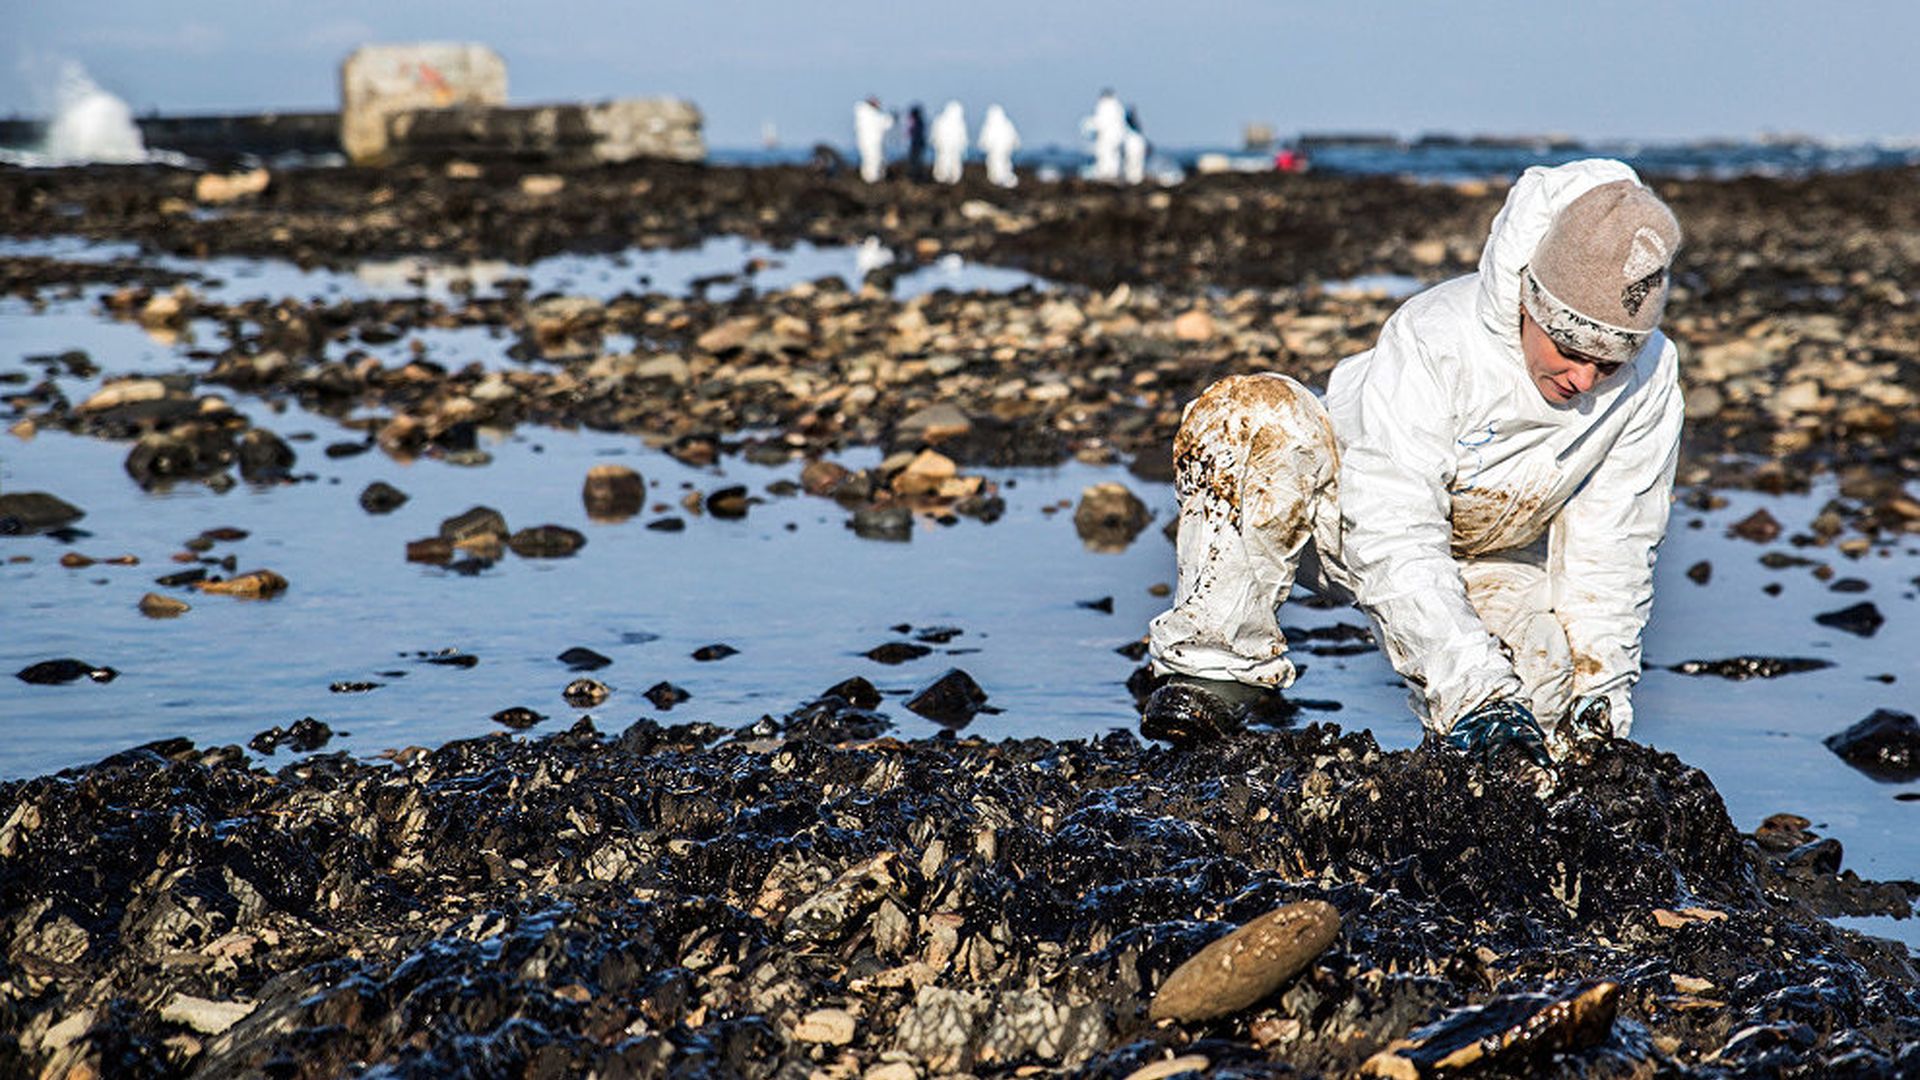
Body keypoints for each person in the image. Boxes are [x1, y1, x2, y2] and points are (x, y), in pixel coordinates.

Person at [1142, 159, 1685, 766]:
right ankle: (1220, 668)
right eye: (1567, 349)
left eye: (1608, 364)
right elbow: (1394, 527)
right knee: (1251, 417)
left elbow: (1615, 543)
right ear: (1531, 301)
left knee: (1539, 734)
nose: (1582, 379)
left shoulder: (1652, 381)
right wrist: (1471, 688)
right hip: (1342, 511)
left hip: (1490, 557)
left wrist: (1600, 688)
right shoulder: (1436, 338)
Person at [1081, 89, 1126, 181]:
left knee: (1104, 155)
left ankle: (1106, 175)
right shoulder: (1118, 106)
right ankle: (1113, 174)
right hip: (1118, 136)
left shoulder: (1103, 105)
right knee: (1114, 156)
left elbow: (1101, 122)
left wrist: (1089, 126)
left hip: (1106, 136)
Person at [977, 104, 1021, 188]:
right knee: (1003, 163)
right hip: (1004, 151)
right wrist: (1015, 144)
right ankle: (1002, 180)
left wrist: (983, 145)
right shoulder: (1007, 124)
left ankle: (998, 180)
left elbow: (985, 138)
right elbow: (1013, 136)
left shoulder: (990, 126)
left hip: (997, 152)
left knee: (996, 163)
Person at [853, 97, 893, 184]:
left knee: (870, 160)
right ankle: (872, 180)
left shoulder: (862, 114)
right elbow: (885, 123)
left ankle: (870, 178)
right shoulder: (870, 114)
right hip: (873, 142)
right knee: (874, 160)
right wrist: (891, 117)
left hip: (865, 142)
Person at [930, 101, 967, 184]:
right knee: (946, 160)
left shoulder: (941, 120)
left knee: (948, 161)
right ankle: (945, 177)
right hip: (947, 147)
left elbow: (935, 133)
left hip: (949, 148)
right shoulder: (954, 122)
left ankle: (946, 177)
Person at [1121, 105, 1149, 185]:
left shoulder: (1132, 127)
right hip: (1135, 144)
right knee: (1133, 164)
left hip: (1134, 144)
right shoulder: (1134, 126)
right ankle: (1133, 179)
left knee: (1133, 163)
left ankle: (1134, 179)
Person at [905, 104, 929, 180]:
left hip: (917, 145)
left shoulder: (917, 122)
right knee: (916, 161)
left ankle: (915, 176)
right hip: (918, 145)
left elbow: (915, 134)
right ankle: (916, 175)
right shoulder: (919, 122)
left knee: (915, 161)